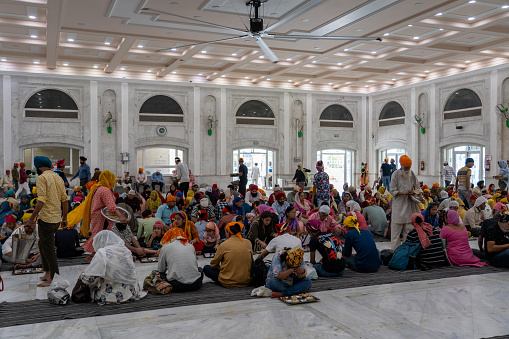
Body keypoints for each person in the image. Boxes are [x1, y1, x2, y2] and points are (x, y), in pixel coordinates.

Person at [25, 156, 68, 287]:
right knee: (42, 244)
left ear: (39, 167)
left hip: (47, 219)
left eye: (36, 167)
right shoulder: (58, 177)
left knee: (48, 248)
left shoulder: (42, 178)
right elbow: (65, 200)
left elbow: (41, 200)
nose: (35, 169)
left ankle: (53, 278)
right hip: (56, 218)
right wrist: (64, 218)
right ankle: (47, 272)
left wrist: (31, 218)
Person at [66, 170, 128, 256]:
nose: (114, 183)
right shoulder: (105, 190)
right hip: (103, 219)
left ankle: (94, 255)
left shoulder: (97, 188)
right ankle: (97, 255)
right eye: (113, 181)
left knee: (97, 236)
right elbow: (111, 207)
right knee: (103, 237)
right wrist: (121, 216)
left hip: (96, 216)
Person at [80, 230, 146, 305]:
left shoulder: (102, 253)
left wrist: (82, 276)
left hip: (110, 296)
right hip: (132, 292)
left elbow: (89, 279)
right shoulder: (125, 250)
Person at [203, 222, 252, 288]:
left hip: (227, 281)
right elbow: (251, 262)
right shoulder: (248, 243)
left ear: (228, 233)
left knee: (206, 268)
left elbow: (213, 264)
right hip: (246, 281)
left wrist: (222, 268)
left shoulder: (223, 245)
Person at [389, 155, 421, 251]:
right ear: (402, 166)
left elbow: (417, 188)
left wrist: (417, 194)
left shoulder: (411, 173)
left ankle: (406, 252)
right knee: (395, 233)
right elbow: (392, 190)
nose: (408, 169)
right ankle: (395, 252)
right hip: (399, 206)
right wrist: (405, 193)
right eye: (406, 167)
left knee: (409, 230)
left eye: (409, 167)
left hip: (409, 205)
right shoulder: (396, 174)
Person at [157, 227, 203, 292]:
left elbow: (161, 270)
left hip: (177, 286)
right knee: (200, 269)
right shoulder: (190, 246)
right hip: (196, 284)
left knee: (159, 275)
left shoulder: (165, 248)